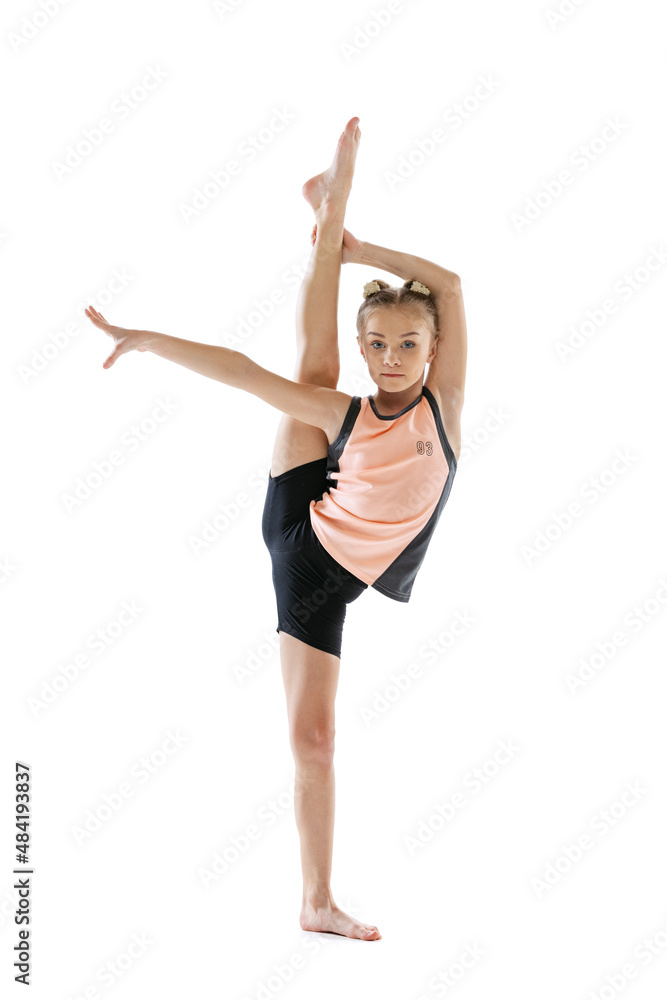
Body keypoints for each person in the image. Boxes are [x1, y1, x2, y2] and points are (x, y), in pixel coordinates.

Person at [84, 116, 467, 941]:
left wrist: (360, 251)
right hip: (303, 550)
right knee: (306, 375)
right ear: (371, 352)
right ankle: (317, 899)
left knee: (317, 741)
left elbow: (450, 283)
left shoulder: (447, 404)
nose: (393, 356)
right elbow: (247, 375)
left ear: (433, 349)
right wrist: (145, 338)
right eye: (380, 345)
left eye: (409, 342)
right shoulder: (349, 406)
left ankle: (329, 219)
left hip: (345, 557)